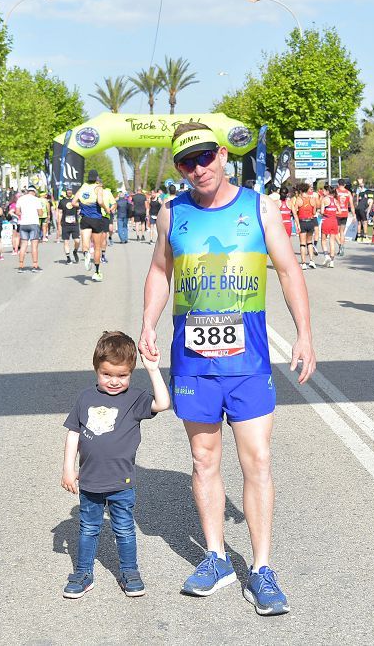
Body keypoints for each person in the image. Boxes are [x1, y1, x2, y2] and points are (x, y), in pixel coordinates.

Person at [140, 123, 316, 617]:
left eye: (204, 157)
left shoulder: (258, 207)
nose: (198, 169)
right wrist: (148, 322)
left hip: (249, 361)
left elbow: (287, 269)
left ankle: (261, 568)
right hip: (193, 360)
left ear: (222, 154)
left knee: (257, 460)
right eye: (186, 162)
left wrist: (304, 333)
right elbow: (160, 270)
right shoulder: (171, 212)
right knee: (204, 460)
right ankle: (216, 558)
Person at [60, 331, 171, 600]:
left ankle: (130, 572)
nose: (114, 381)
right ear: (97, 369)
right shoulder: (85, 398)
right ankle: (84, 573)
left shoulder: (135, 399)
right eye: (107, 374)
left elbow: (163, 404)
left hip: (122, 482)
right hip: (90, 481)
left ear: (131, 373)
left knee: (123, 529)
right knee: (88, 528)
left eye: (122, 375)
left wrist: (153, 369)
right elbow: (74, 432)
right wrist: (68, 467)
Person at [75, 170, 110, 281]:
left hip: (85, 218)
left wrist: (82, 207)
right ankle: (97, 271)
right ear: (96, 178)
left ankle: (86, 253)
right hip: (96, 219)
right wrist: (106, 208)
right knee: (97, 247)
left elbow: (73, 202)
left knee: (85, 242)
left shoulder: (83, 187)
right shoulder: (98, 188)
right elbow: (100, 201)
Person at [16, 187, 44, 273]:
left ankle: (21, 266)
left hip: (23, 224)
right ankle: (35, 265)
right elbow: (40, 213)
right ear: (34, 192)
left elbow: (17, 212)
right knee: (34, 246)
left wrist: (24, 214)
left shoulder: (20, 199)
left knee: (24, 245)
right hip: (33, 223)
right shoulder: (36, 199)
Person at [293, 182, 317, 269]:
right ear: (307, 190)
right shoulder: (312, 199)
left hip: (302, 222)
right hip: (311, 221)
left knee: (302, 244)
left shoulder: (299, 200)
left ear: (300, 190)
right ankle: (311, 261)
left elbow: (295, 212)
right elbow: (314, 212)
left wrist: (297, 224)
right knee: (310, 242)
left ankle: (303, 263)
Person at [319, 185, 340, 267]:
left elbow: (321, 211)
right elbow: (340, 211)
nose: (323, 192)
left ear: (327, 191)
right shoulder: (335, 200)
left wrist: (326, 213)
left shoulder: (324, 199)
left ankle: (326, 256)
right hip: (334, 221)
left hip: (326, 220)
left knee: (323, 240)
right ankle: (332, 261)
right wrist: (333, 213)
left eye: (324, 191)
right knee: (332, 241)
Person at [58, 190, 81, 265]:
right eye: (68, 190)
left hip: (74, 224)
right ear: (66, 191)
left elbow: (79, 211)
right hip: (65, 224)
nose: (69, 192)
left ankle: (75, 251)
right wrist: (59, 223)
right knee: (66, 241)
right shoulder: (62, 201)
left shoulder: (76, 200)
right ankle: (68, 258)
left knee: (77, 241)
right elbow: (60, 212)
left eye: (71, 190)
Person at [334, 179, 354, 256]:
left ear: (338, 184)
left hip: (337, 213)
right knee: (342, 232)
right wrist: (354, 214)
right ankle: (341, 247)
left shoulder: (336, 191)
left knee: (335, 232)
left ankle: (340, 246)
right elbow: (351, 205)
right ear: (345, 185)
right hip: (345, 213)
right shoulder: (348, 193)